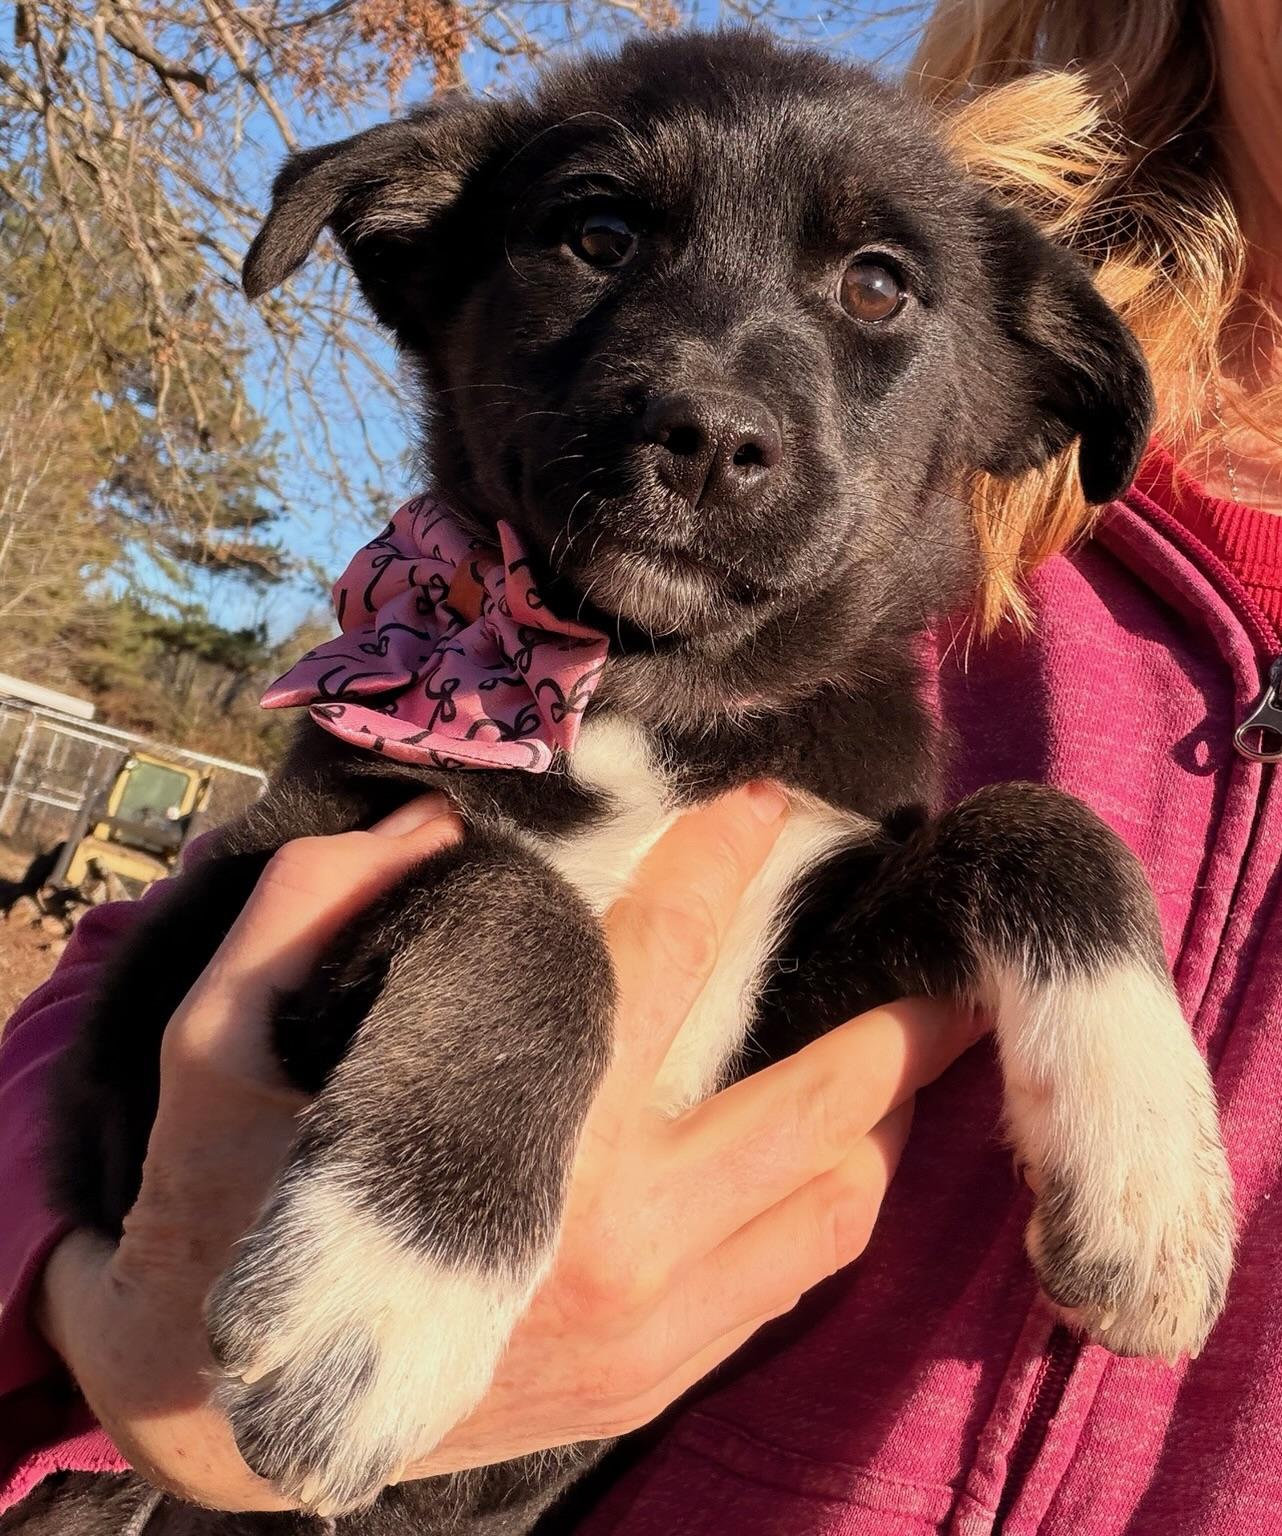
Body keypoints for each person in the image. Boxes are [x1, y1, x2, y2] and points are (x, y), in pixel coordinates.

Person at [1, 2, 1279, 1533]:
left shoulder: (896, 757)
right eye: (598, 233)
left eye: (874, 289)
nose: (712, 402)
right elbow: (153, 989)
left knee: (1022, 852)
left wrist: (1058, 900)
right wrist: (78, 1305)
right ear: (427, 261)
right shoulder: (443, 671)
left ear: (1009, 397)